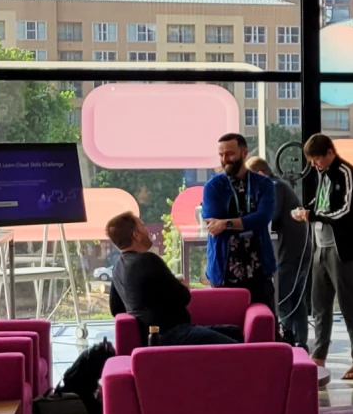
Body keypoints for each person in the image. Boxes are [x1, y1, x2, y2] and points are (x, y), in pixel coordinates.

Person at [293, 134, 353, 381]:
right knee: (320, 305)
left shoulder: (347, 173)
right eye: (311, 160)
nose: (314, 164)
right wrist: (306, 210)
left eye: (317, 159)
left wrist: (314, 215)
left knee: (348, 304)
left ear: (329, 153)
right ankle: (318, 356)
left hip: (342, 248)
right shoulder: (323, 174)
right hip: (321, 246)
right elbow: (321, 203)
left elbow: (347, 211)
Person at [105, 212, 239, 347]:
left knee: (235, 332)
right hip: (174, 334)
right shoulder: (148, 260)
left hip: (153, 337)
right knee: (237, 349)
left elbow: (116, 308)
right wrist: (183, 286)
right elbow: (184, 297)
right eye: (143, 227)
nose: (147, 231)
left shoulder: (118, 267)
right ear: (136, 235)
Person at [202, 133, 277, 307]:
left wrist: (226, 223)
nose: (225, 160)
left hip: (259, 268)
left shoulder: (263, 184)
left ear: (244, 153)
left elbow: (263, 218)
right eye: (221, 155)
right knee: (227, 322)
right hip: (225, 270)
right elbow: (213, 223)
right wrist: (246, 221)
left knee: (264, 319)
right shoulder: (213, 186)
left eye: (230, 154)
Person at [247, 156, 311, 347]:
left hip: (290, 252)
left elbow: (270, 216)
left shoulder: (275, 187)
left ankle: (286, 341)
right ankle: (300, 343)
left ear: (260, 174)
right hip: (299, 249)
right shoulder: (281, 186)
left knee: (284, 298)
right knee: (297, 300)